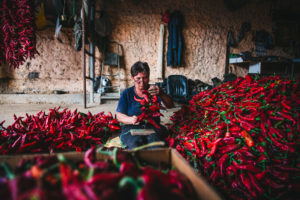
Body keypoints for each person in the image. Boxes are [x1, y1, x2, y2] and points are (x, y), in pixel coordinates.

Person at [116, 61, 174, 149]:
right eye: (138, 78)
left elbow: (170, 105)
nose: (142, 82)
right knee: (135, 144)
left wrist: (161, 93)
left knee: (156, 146)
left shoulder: (154, 90)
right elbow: (119, 116)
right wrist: (131, 119)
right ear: (132, 78)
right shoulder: (126, 94)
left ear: (149, 76)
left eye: (145, 78)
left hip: (152, 128)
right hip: (132, 128)